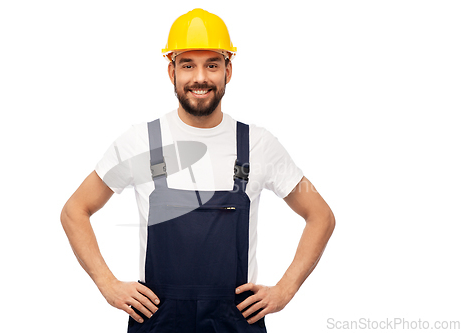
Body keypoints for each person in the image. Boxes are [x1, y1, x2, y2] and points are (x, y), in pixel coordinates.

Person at [61, 8, 335, 333]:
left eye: (212, 65)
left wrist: (286, 289)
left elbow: (321, 216)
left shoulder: (259, 144)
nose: (200, 77)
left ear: (228, 71)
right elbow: (74, 210)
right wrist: (107, 283)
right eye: (187, 65)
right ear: (171, 71)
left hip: (236, 321)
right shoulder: (139, 141)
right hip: (157, 320)